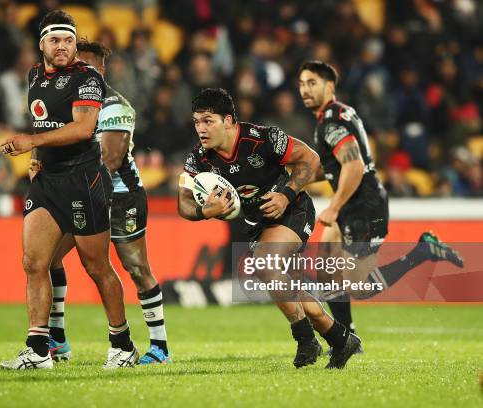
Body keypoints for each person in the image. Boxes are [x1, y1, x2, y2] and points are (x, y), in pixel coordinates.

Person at [178, 88, 361, 369]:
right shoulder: (199, 159)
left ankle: (305, 340)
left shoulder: (262, 138)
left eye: (207, 121)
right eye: (196, 122)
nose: (200, 129)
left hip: (293, 210)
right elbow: (184, 204)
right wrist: (205, 211)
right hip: (258, 224)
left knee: (265, 265)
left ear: (228, 120)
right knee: (287, 285)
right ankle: (339, 339)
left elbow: (311, 160)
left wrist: (285, 194)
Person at [0, 10, 138, 370]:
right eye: (55, 40)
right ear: (41, 43)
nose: (63, 47)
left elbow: (82, 128)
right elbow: (46, 120)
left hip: (83, 180)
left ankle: (122, 344)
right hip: (48, 181)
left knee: (97, 267)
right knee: (34, 262)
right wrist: (40, 156)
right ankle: (38, 349)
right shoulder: (33, 75)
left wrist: (32, 142)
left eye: (69, 40)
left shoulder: (87, 77)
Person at [297, 61, 463, 334]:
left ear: (329, 86)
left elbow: (354, 165)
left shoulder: (331, 122)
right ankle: (346, 335)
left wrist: (334, 207)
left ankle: (422, 251)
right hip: (353, 201)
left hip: (363, 205)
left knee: (358, 287)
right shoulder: (338, 114)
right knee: (327, 271)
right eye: (301, 84)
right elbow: (335, 166)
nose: (305, 89)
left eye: (312, 83)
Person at [41, 39, 171, 365]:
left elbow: (111, 158)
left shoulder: (116, 105)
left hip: (121, 196)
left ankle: (159, 346)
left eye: (84, 65)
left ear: (100, 70)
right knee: (49, 258)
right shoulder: (67, 104)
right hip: (82, 193)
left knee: (136, 267)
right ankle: (57, 340)